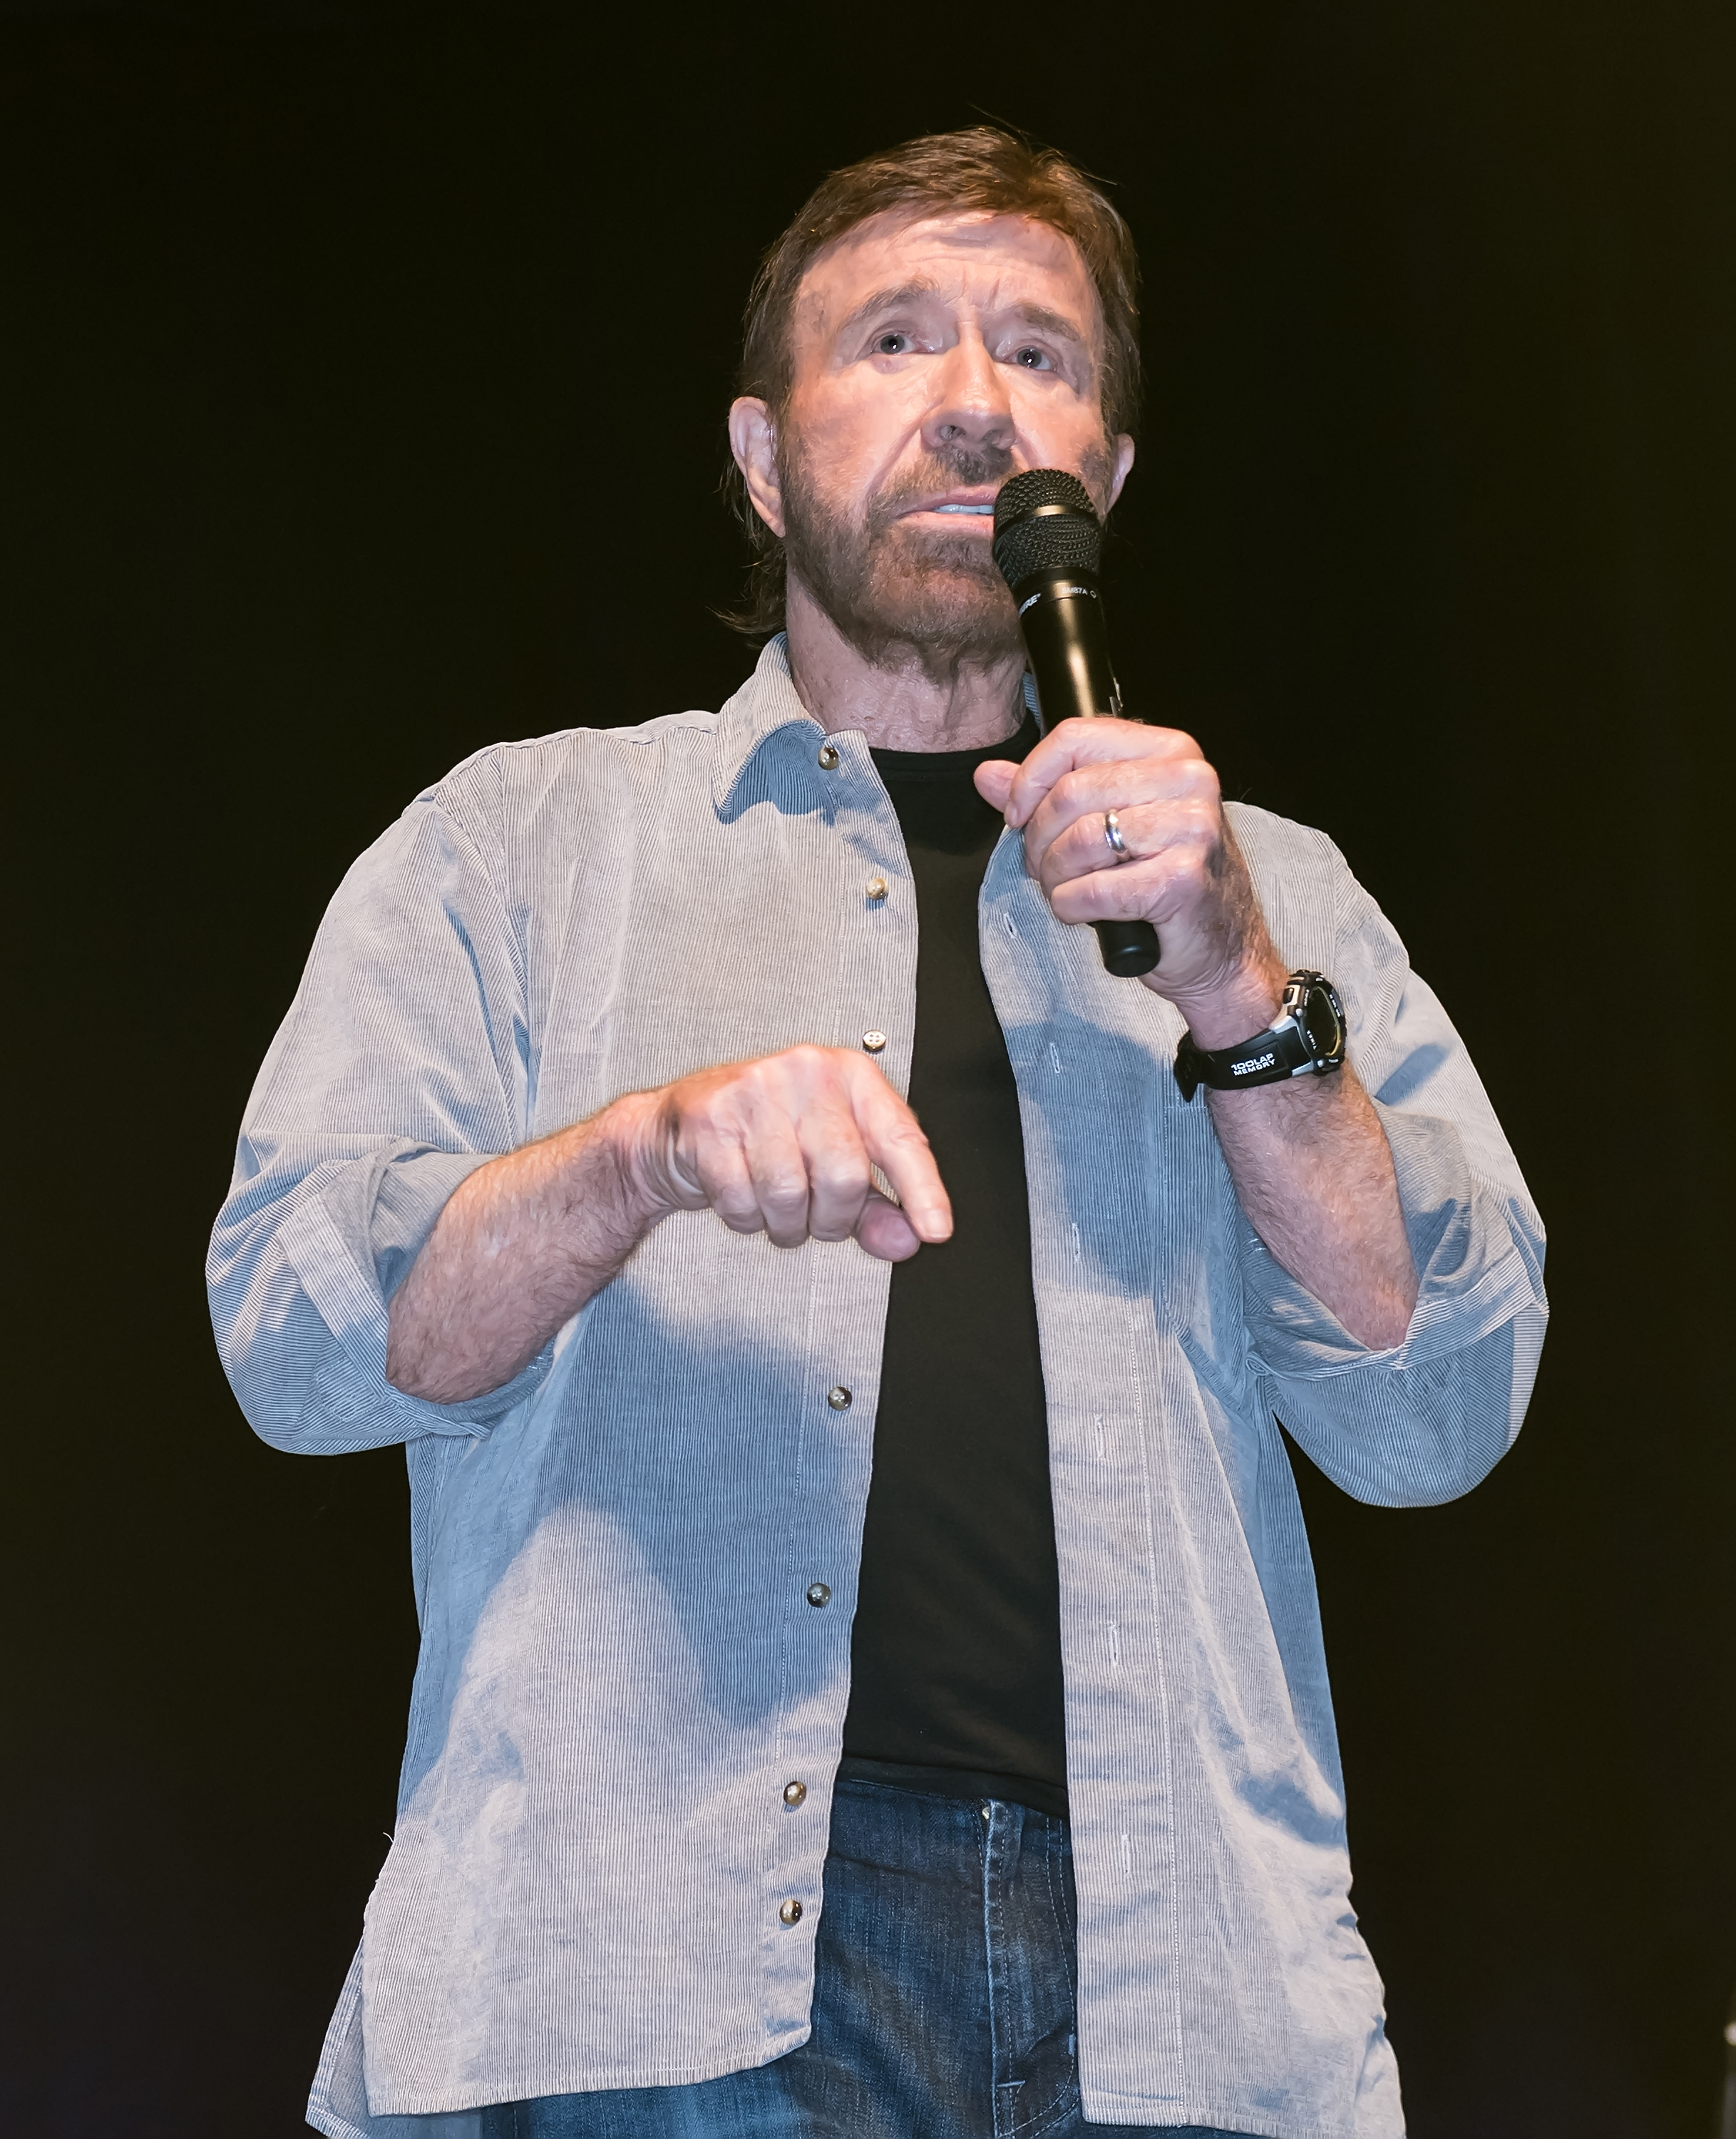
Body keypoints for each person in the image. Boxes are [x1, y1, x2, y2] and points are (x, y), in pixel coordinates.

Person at [208, 129, 1546, 2139]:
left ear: (1095, 481)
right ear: (761, 456)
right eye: (897, 339)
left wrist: (1237, 996)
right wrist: (642, 1153)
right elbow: (299, 1349)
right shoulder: (518, 847)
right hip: (647, 1983)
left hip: (1183, 2000)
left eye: (1042, 355)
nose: (976, 405)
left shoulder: (1275, 900)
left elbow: (1433, 1411)